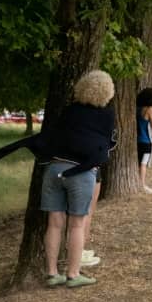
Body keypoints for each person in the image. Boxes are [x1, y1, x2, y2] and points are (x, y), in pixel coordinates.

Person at [40, 70, 116, 287]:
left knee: (54, 223)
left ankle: (52, 273)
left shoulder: (69, 110)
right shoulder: (107, 115)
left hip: (54, 168)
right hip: (80, 172)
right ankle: (73, 274)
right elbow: (106, 144)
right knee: (76, 224)